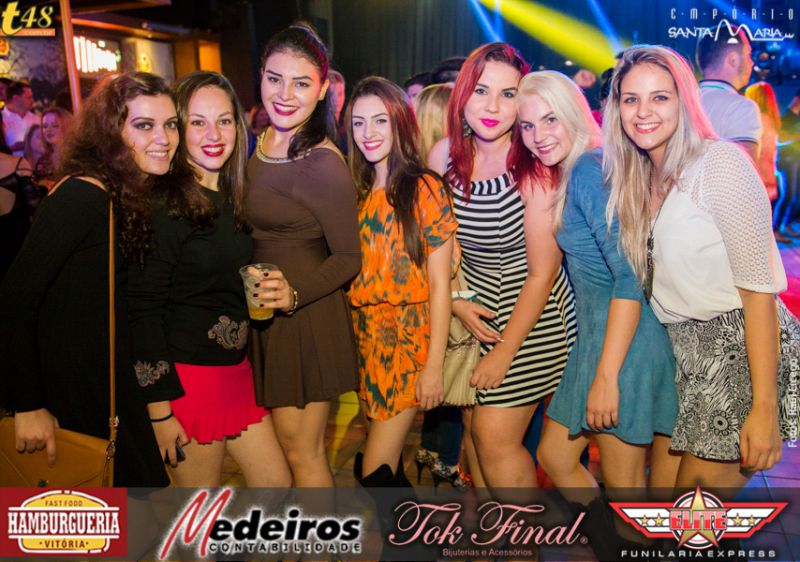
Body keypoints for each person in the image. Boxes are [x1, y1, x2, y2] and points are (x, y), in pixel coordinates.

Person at [605, 45, 799, 493]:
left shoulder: (720, 164)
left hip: (738, 352)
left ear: (685, 101)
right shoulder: (638, 177)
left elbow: (758, 294)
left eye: (660, 97)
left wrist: (763, 408)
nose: (643, 112)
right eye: (631, 99)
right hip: (686, 358)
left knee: (692, 519)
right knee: (668, 509)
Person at [522, 71, 678, 559]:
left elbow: (630, 276)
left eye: (550, 120)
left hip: (624, 344)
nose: (538, 135)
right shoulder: (580, 169)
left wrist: (608, 376)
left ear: (574, 113)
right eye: (527, 126)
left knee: (628, 498)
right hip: (596, 338)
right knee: (555, 456)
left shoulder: (591, 169)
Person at [0, 72, 174, 487]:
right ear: (110, 132)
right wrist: (28, 404)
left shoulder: (122, 194)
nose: (164, 138)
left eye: (171, 124)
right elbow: (14, 300)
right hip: (76, 401)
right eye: (144, 125)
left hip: (107, 391)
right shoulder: (83, 196)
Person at [127, 71, 292, 487]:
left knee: (277, 486)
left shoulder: (236, 196)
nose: (213, 134)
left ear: (238, 125)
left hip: (235, 372)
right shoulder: (165, 204)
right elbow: (142, 310)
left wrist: (275, 290)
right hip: (187, 382)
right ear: (179, 129)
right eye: (198, 122)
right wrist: (159, 413)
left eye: (224, 120)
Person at [429, 42, 577, 489]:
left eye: (507, 94)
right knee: (473, 431)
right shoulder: (443, 157)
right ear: (462, 94)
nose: (492, 106)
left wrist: (504, 352)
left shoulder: (534, 166)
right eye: (481, 91)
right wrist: (456, 301)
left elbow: (542, 275)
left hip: (534, 318)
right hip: (475, 312)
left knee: (494, 437)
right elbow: (439, 249)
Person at [246, 24, 360, 487]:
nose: (285, 94)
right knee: (287, 451)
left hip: (304, 321)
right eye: (275, 79)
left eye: (301, 83)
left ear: (322, 89)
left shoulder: (321, 163)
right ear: (261, 76)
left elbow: (348, 256)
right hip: (266, 315)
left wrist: (293, 296)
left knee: (302, 454)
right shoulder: (262, 141)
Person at [346, 76, 456, 488]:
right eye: (358, 123)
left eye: (380, 121)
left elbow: (440, 286)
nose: (368, 133)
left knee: (374, 472)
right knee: (381, 465)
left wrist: (433, 367)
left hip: (408, 344)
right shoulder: (356, 191)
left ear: (399, 124)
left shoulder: (424, 188)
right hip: (366, 341)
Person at [411, 82, 471, 489]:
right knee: (454, 372)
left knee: (443, 370)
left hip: (433, 288)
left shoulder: (413, 169)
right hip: (453, 284)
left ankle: (431, 451)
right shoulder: (443, 165)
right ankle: (447, 459)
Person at [696, 24, 760, 160]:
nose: (752, 63)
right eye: (748, 55)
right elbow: (744, 169)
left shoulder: (681, 102)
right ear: (733, 59)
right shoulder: (742, 107)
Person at [744, 82, 785, 242]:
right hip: (763, 172)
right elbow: (765, 151)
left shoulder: (750, 117)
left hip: (756, 172)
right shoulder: (765, 119)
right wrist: (769, 177)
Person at [777, 89, 800, 240]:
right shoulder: (786, 117)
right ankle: (776, 228)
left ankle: (787, 225)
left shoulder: (796, 117)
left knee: (796, 196)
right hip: (787, 160)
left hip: (795, 160)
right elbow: (779, 139)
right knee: (788, 195)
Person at [36, 107, 73, 189]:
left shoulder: (75, 157)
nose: (48, 130)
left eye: (55, 125)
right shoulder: (43, 160)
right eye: (45, 126)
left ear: (67, 127)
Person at [2, 82, 38, 156]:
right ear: (16, 98)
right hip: (8, 162)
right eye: (29, 97)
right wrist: (12, 149)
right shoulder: (2, 118)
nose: (32, 101)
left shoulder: (37, 119)